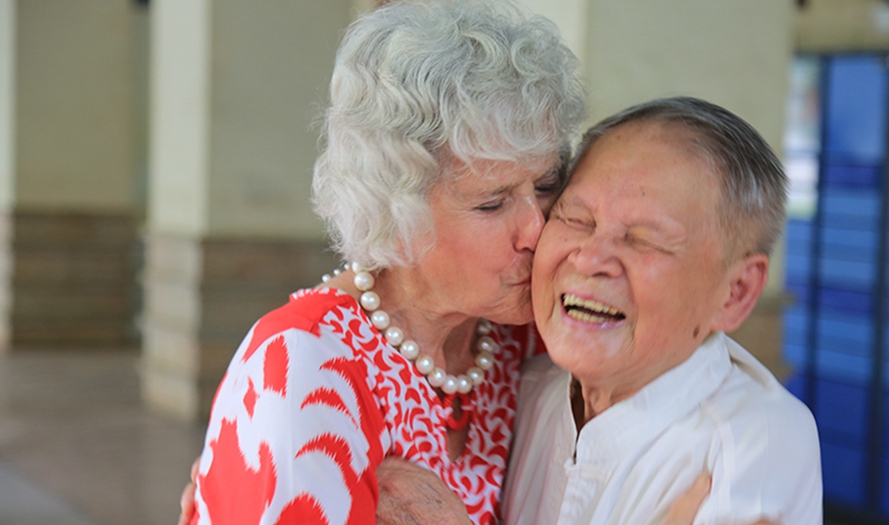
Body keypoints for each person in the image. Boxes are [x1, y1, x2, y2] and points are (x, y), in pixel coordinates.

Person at [187, 1, 584, 524]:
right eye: (492, 203)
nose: (537, 228)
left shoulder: (528, 335)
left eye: (547, 184)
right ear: (398, 212)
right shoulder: (306, 371)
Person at [501, 97, 823, 524]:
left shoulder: (756, 441)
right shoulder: (519, 389)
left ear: (735, 293)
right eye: (576, 218)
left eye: (644, 240)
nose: (589, 259)